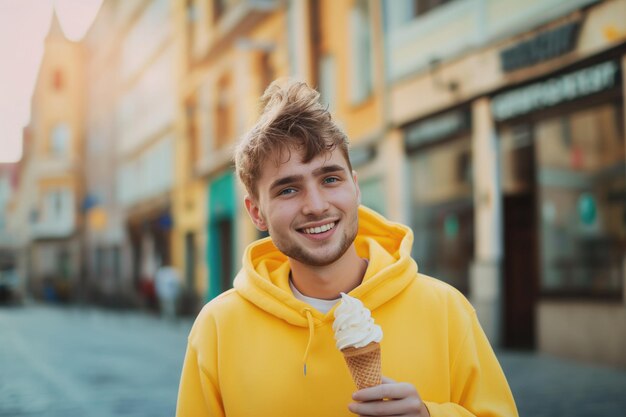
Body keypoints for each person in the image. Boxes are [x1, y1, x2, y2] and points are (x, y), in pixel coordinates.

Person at [176, 80, 518, 417]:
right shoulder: (218, 328)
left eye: (330, 179)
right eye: (288, 190)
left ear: (355, 187)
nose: (316, 205)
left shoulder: (445, 310)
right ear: (256, 212)